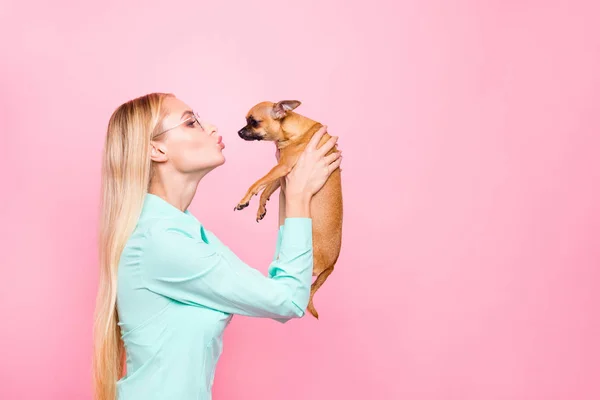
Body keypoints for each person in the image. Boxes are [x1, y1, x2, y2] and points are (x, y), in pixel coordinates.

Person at [92, 92, 342, 400]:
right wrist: (299, 197)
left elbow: (284, 294)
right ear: (156, 149)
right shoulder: (161, 241)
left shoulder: (183, 231)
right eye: (191, 122)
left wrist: (292, 187)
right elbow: (287, 300)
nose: (210, 127)